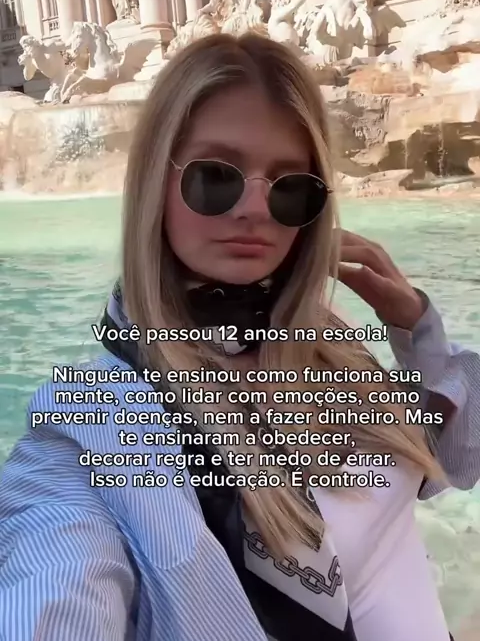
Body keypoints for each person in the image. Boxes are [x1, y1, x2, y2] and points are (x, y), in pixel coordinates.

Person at [0, 33, 479, 641]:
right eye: (216, 177)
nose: (256, 209)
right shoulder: (92, 428)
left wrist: (416, 328)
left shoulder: (332, 346)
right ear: (155, 182)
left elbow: (453, 464)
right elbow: (54, 574)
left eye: (290, 186)